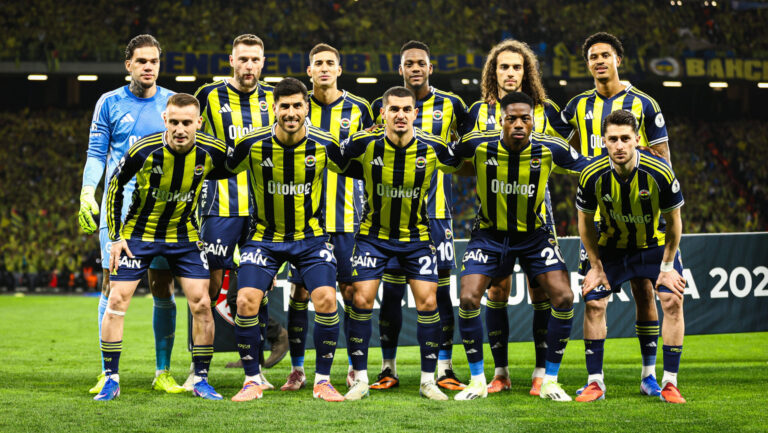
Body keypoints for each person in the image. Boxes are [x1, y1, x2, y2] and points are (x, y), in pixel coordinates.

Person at [551, 32, 672, 398]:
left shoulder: (645, 104)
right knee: (595, 296)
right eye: (593, 56)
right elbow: (556, 145)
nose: (599, 61)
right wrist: (583, 166)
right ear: (587, 64)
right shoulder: (576, 106)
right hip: (597, 218)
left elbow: (665, 160)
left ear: (618, 59)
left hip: (639, 214)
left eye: (605, 55)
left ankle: (649, 376)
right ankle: (595, 381)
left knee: (645, 291)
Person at [453, 92, 588, 401]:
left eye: (524, 119)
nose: (518, 124)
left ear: (532, 122)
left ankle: (549, 380)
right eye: (511, 118)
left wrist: (632, 154)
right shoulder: (478, 144)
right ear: (500, 120)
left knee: (564, 296)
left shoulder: (551, 148)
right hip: (489, 235)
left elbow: (589, 167)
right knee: (469, 298)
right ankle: (478, 381)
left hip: (534, 236)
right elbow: (443, 157)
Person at [95, 93, 229, 401]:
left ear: (199, 122)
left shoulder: (213, 151)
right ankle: (111, 379)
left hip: (184, 236)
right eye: (174, 122)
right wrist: (116, 236)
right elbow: (115, 186)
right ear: (164, 120)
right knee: (116, 299)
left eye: (187, 123)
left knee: (202, 304)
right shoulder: (144, 150)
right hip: (139, 235)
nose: (180, 129)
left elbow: (241, 167)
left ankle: (200, 379)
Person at [225, 78, 347, 402]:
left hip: (310, 238)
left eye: (297, 106)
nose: (291, 112)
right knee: (245, 300)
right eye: (284, 106)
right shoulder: (251, 144)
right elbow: (217, 170)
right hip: (264, 238)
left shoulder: (325, 144)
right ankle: (252, 381)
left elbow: (357, 168)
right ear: (273, 108)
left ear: (307, 108)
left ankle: (322, 382)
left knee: (326, 299)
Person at [338, 86, 461, 401]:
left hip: (416, 238)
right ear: (383, 113)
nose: (401, 115)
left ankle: (428, 381)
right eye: (394, 109)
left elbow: (465, 162)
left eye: (407, 109)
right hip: (373, 238)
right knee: (361, 301)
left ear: (415, 113)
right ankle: (360, 379)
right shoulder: (364, 144)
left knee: (429, 303)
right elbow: (334, 157)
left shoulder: (433, 147)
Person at [77, 34, 183, 395]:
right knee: (111, 283)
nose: (149, 67)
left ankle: (163, 371)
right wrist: (87, 191)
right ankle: (107, 372)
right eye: (142, 61)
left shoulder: (172, 102)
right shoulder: (109, 103)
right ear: (129, 65)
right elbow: (96, 153)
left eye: (154, 61)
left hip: (162, 209)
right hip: (119, 208)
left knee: (162, 286)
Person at [465, 39, 567, 396]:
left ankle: (541, 372)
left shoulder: (546, 110)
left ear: (527, 72)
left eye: (517, 67)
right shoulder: (477, 111)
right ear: (493, 72)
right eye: (504, 67)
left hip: (537, 212)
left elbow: (564, 151)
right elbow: (466, 158)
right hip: (493, 212)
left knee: (542, 291)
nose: (510, 73)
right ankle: (501, 372)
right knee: (497, 289)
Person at [189, 33, 288, 391]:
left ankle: (255, 367)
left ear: (263, 62)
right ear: (231, 61)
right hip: (220, 206)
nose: (249, 66)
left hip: (262, 208)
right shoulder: (209, 95)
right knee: (208, 288)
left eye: (255, 59)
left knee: (256, 287)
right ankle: (197, 368)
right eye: (242, 59)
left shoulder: (274, 98)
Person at [370, 41, 469, 391]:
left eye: (421, 63)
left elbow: (467, 148)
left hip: (437, 214)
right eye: (409, 63)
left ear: (430, 67)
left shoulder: (453, 105)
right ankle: (388, 367)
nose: (415, 68)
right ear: (400, 69)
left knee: (440, 294)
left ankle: (445, 368)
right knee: (392, 293)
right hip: (393, 216)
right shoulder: (380, 106)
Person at [576, 109, 686, 404]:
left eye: (625, 138)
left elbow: (675, 222)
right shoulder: (591, 174)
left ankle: (665, 382)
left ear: (637, 139)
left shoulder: (660, 172)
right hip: (610, 246)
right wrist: (595, 266)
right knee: (594, 301)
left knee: (672, 299)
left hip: (654, 244)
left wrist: (667, 266)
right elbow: (584, 223)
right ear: (604, 141)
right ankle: (595, 382)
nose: (619, 145)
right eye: (613, 139)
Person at [281, 43, 374, 391]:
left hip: (348, 217)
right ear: (309, 71)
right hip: (305, 221)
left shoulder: (359, 108)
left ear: (338, 69)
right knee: (300, 293)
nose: (323, 68)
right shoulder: (296, 106)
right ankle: (297, 369)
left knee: (351, 293)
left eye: (329, 63)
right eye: (317, 63)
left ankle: (354, 367)